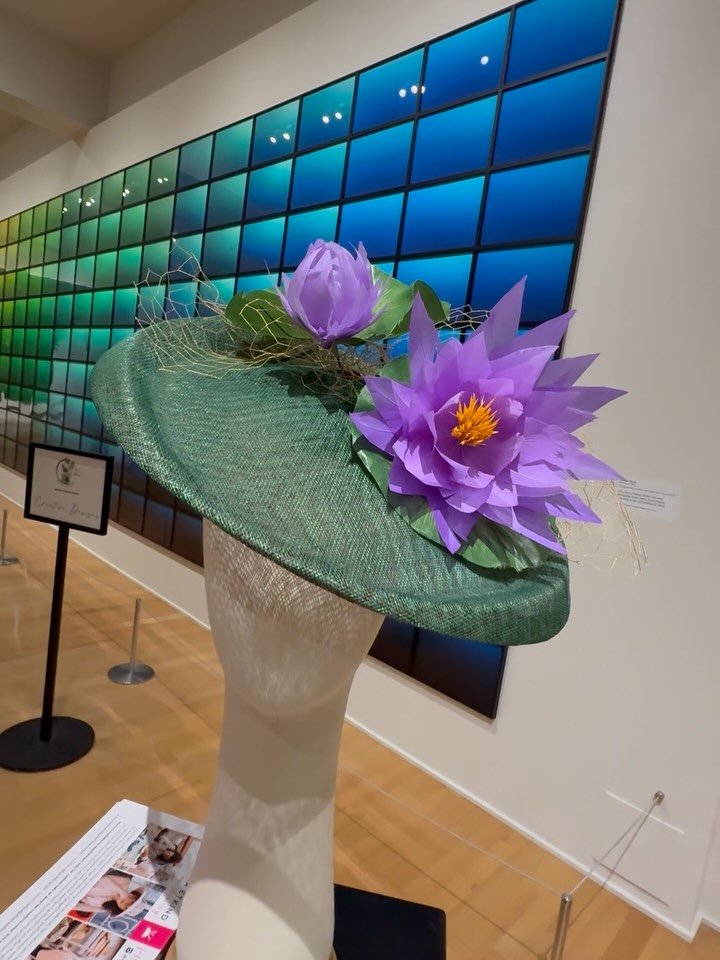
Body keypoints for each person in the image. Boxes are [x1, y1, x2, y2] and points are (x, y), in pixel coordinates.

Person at [74, 872, 141, 916]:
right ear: (133, 895)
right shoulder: (125, 882)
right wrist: (120, 892)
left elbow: (76, 906)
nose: (126, 905)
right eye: (132, 903)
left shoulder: (102, 908)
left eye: (126, 908)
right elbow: (104, 874)